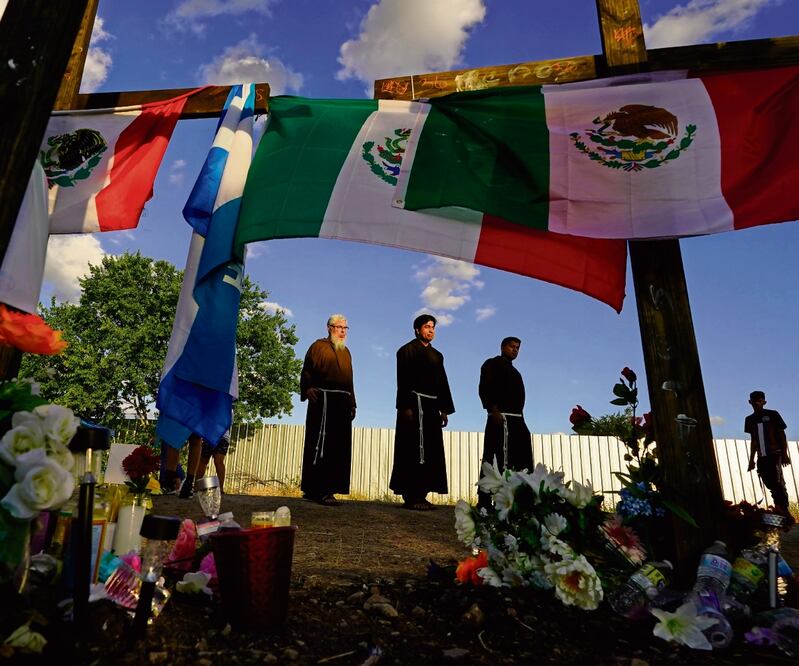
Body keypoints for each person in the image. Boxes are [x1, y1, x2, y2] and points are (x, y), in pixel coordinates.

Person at [389, 314, 455, 511]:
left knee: (431, 450)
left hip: (431, 408)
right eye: (427, 327)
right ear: (417, 329)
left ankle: (423, 494)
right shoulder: (406, 351)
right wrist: (405, 406)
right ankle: (411, 495)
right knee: (411, 449)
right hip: (413, 405)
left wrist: (444, 409)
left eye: (433, 327)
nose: (431, 330)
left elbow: (442, 382)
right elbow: (403, 380)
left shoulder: (437, 356)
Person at [299, 314, 356, 506]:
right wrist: (307, 388)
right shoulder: (318, 347)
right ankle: (316, 489)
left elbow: (349, 381)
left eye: (345, 328)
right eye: (339, 327)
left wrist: (353, 402)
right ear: (329, 328)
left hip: (342, 404)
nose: (342, 331)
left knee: (338, 447)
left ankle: (329, 488)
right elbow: (306, 370)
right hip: (322, 402)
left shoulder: (347, 352)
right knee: (319, 445)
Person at [477, 336, 533, 508]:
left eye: (517, 347)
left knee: (521, 459)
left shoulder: (516, 373)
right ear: (502, 347)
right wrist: (493, 409)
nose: (515, 350)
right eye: (511, 346)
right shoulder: (491, 364)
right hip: (498, 417)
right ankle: (485, 502)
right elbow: (485, 386)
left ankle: (517, 501)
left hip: (517, 421)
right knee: (492, 458)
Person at [745, 390, 791, 512]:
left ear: (764, 402)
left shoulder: (773, 415)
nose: (757, 404)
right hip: (762, 456)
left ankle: (783, 510)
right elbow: (753, 441)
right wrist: (751, 460)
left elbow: (782, 435)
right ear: (750, 402)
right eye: (755, 401)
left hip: (775, 454)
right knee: (769, 482)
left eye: (760, 401)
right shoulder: (749, 420)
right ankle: (780, 508)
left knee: (777, 482)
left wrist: (784, 454)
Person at [195, 429, 231, 494]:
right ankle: (196, 486)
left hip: (216, 436)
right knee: (206, 461)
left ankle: (220, 488)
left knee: (211, 461)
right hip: (212, 436)